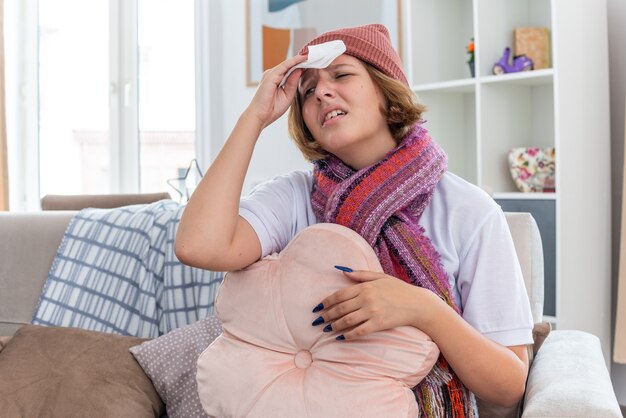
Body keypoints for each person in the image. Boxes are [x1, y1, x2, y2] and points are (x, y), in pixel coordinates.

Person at [175, 24, 533, 417]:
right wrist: (254, 117)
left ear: (387, 91)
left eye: (341, 75)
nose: (322, 92)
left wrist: (424, 309)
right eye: (307, 91)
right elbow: (198, 245)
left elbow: (508, 387)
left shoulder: (469, 211)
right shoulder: (295, 197)